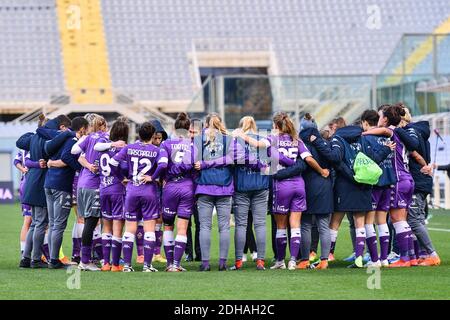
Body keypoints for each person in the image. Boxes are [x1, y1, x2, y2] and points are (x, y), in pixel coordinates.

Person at [362, 104, 419, 267]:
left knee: (397, 219)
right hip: (408, 178)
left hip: (399, 179)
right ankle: (412, 257)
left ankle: (405, 258)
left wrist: (363, 133)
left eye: (380, 117)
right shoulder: (402, 133)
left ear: (385, 119)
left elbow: (384, 131)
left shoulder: (391, 130)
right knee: (402, 220)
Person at [110, 122, 168, 272]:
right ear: (153, 136)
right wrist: (152, 177)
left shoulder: (129, 148)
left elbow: (112, 162)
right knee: (149, 229)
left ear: (138, 135)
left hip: (132, 190)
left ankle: (127, 266)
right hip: (149, 191)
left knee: (130, 228)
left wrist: (121, 177)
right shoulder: (157, 150)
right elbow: (163, 165)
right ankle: (147, 266)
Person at [17, 115, 71, 269]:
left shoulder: (33, 138)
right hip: (42, 181)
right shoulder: (50, 140)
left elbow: (20, 143)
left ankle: (26, 258)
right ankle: (34, 259)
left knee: (35, 223)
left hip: (32, 181)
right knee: (41, 223)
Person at [194, 115, 241, 271]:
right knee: (224, 227)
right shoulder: (229, 139)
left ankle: (206, 264)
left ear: (206, 124)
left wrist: (205, 164)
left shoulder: (198, 139)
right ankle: (222, 263)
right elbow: (235, 158)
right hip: (224, 186)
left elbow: (192, 162)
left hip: (204, 186)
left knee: (205, 227)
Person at [41, 117, 89, 269]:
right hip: (60, 185)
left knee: (53, 224)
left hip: (49, 183)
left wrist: (51, 163)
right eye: (86, 129)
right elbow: (66, 156)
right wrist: (80, 169)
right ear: (82, 128)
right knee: (58, 225)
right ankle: (54, 260)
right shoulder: (72, 139)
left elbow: (52, 154)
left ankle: (51, 258)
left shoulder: (58, 137)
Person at [229, 116, 271, 270]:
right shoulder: (264, 139)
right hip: (261, 185)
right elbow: (270, 163)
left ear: (241, 126)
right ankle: (260, 260)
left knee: (241, 225)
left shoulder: (235, 140)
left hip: (242, 186)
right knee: (260, 224)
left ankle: (239, 261)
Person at [71, 115, 109, 271]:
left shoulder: (87, 138)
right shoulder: (104, 138)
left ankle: (86, 258)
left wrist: (87, 163)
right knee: (91, 222)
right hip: (94, 185)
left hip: (81, 184)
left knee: (87, 221)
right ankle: (85, 261)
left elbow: (75, 152)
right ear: (102, 125)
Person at [360, 110, 396, 267]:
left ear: (366, 123)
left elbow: (371, 160)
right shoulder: (387, 137)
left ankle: (374, 260)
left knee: (369, 223)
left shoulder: (367, 138)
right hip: (388, 182)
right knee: (382, 222)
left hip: (374, 184)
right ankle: (384, 258)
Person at [160, 112, 195, 272]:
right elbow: (194, 167)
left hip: (170, 187)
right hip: (187, 187)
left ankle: (169, 264)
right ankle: (176, 264)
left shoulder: (166, 144)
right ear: (188, 128)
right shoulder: (193, 145)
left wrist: (167, 175)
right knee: (182, 228)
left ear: (174, 127)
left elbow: (161, 164)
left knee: (168, 226)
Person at [93, 118, 129, 272]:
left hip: (103, 189)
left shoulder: (103, 148)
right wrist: (124, 178)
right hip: (117, 190)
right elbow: (124, 168)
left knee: (106, 227)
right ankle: (115, 264)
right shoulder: (123, 149)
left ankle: (105, 263)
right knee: (117, 228)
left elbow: (96, 147)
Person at [13, 150, 33, 256]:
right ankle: (25, 253)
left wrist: (22, 169)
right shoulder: (33, 147)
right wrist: (25, 170)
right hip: (29, 184)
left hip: (24, 184)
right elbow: (16, 161)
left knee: (30, 221)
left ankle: (25, 252)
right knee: (29, 220)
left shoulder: (23, 149)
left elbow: (16, 161)